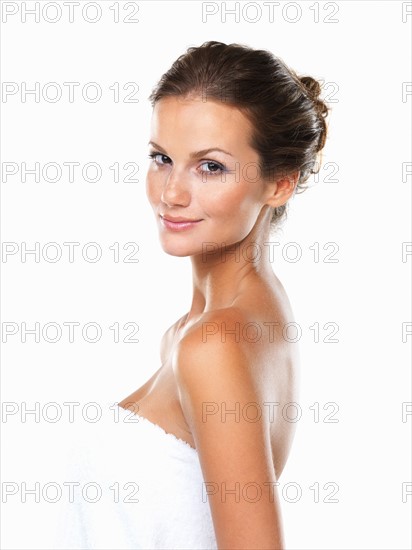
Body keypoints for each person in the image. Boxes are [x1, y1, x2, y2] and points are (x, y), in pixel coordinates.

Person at [118, 40, 330, 549]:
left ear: (281, 184)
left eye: (210, 166)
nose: (171, 193)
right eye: (162, 158)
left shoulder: (215, 343)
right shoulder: (227, 323)